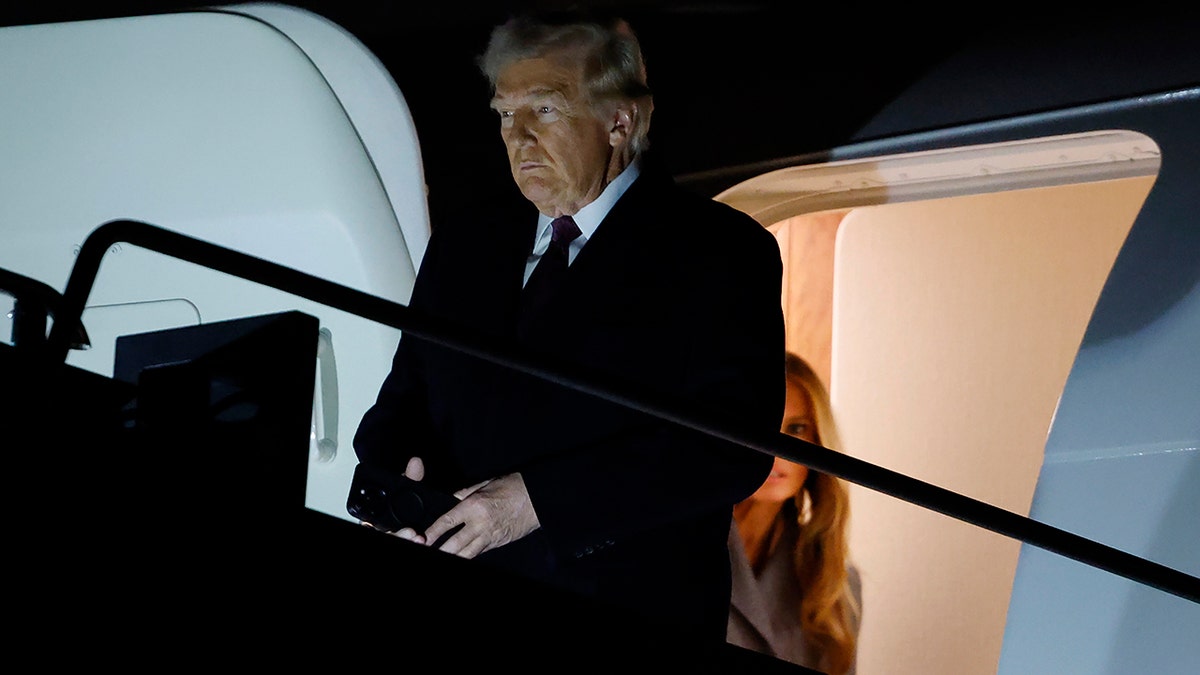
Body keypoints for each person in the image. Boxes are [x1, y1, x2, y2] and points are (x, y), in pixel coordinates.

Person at [352, 11, 785, 642]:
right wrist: (392, 485)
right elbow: (404, 399)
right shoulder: (466, 243)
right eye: (505, 114)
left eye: (546, 111)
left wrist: (534, 503)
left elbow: (729, 447)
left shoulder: (720, 252)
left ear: (621, 120)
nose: (518, 138)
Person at [727, 352, 863, 674]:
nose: (777, 449)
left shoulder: (835, 586)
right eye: (761, 427)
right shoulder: (673, 556)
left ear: (817, 441)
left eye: (797, 429)